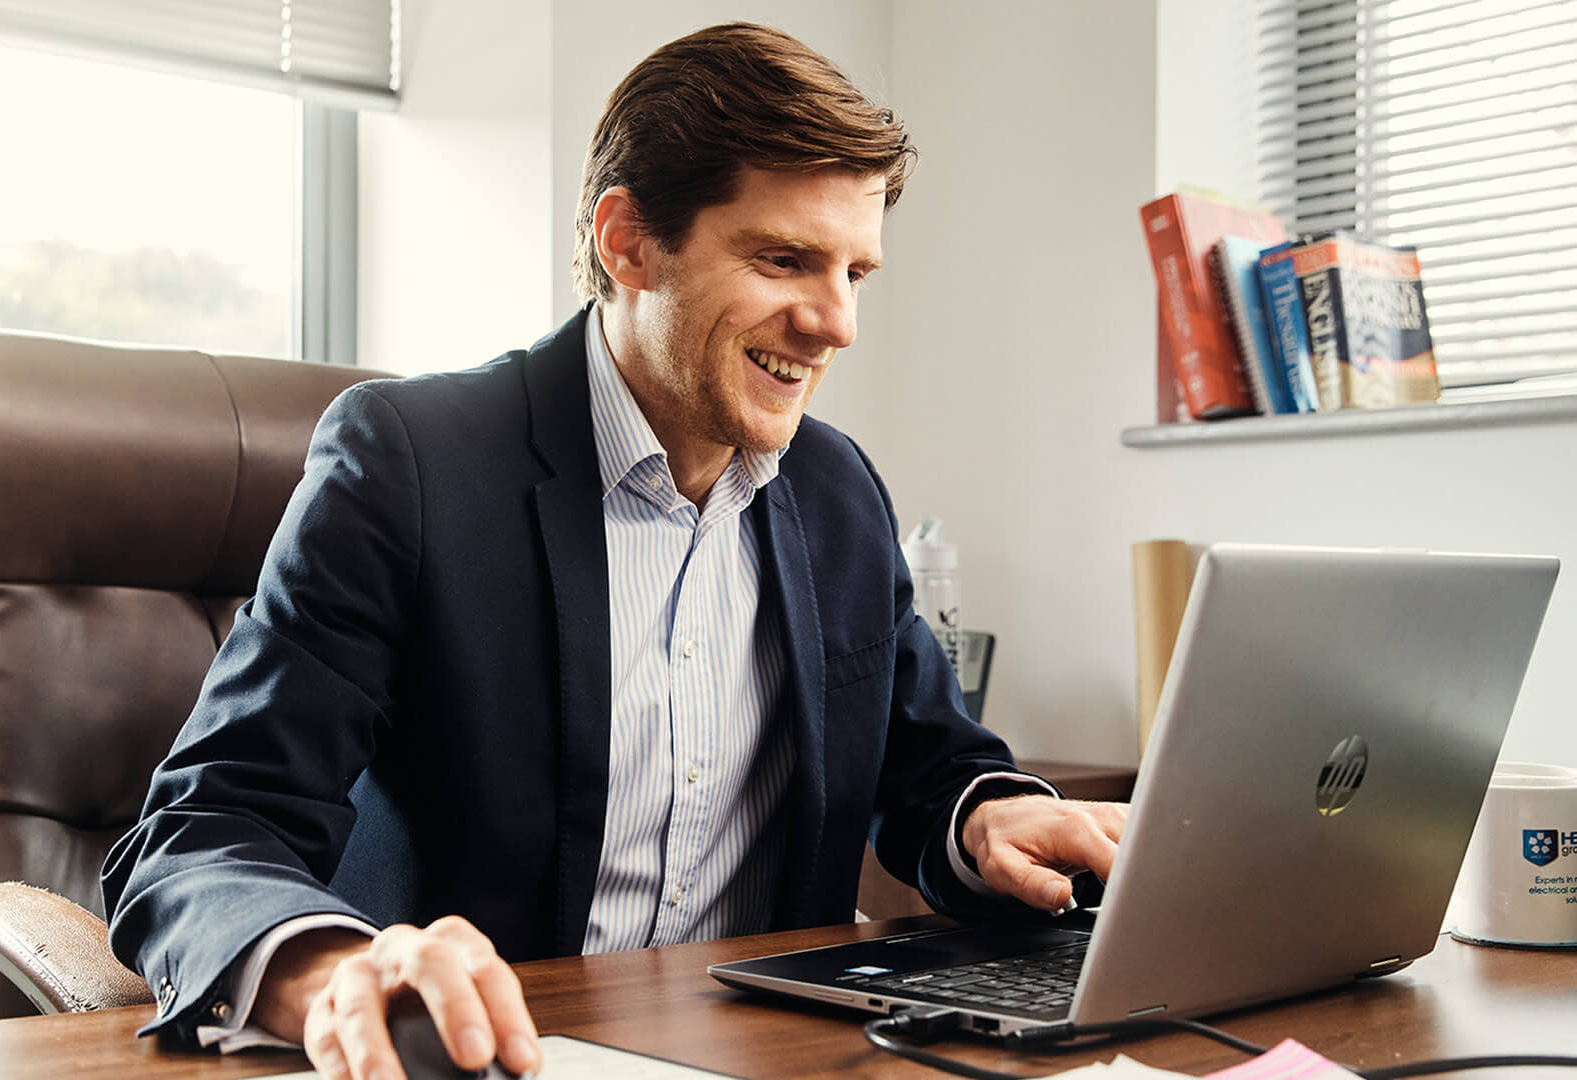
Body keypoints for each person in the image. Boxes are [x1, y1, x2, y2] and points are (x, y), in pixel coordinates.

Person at [102, 21, 1126, 1080]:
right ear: (625, 241)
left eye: (854, 272)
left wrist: (987, 815)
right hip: (496, 1058)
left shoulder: (837, 492)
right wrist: (330, 971)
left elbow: (927, 765)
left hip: (776, 1056)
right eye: (785, 259)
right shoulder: (410, 466)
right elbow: (204, 830)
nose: (836, 323)